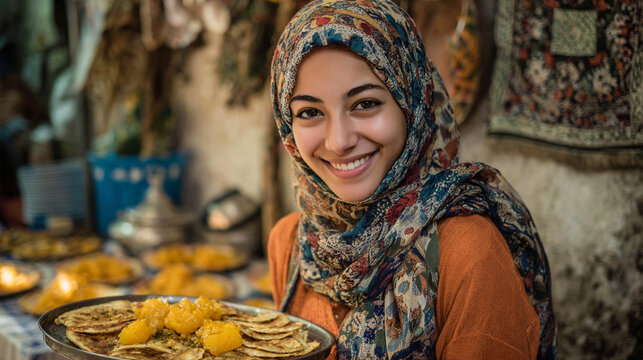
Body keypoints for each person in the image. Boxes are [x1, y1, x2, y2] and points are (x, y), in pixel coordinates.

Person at [267, 1, 558, 359]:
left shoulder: (469, 253)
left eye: (365, 104)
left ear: (414, 104)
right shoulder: (292, 244)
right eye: (309, 112)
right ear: (286, 123)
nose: (339, 141)